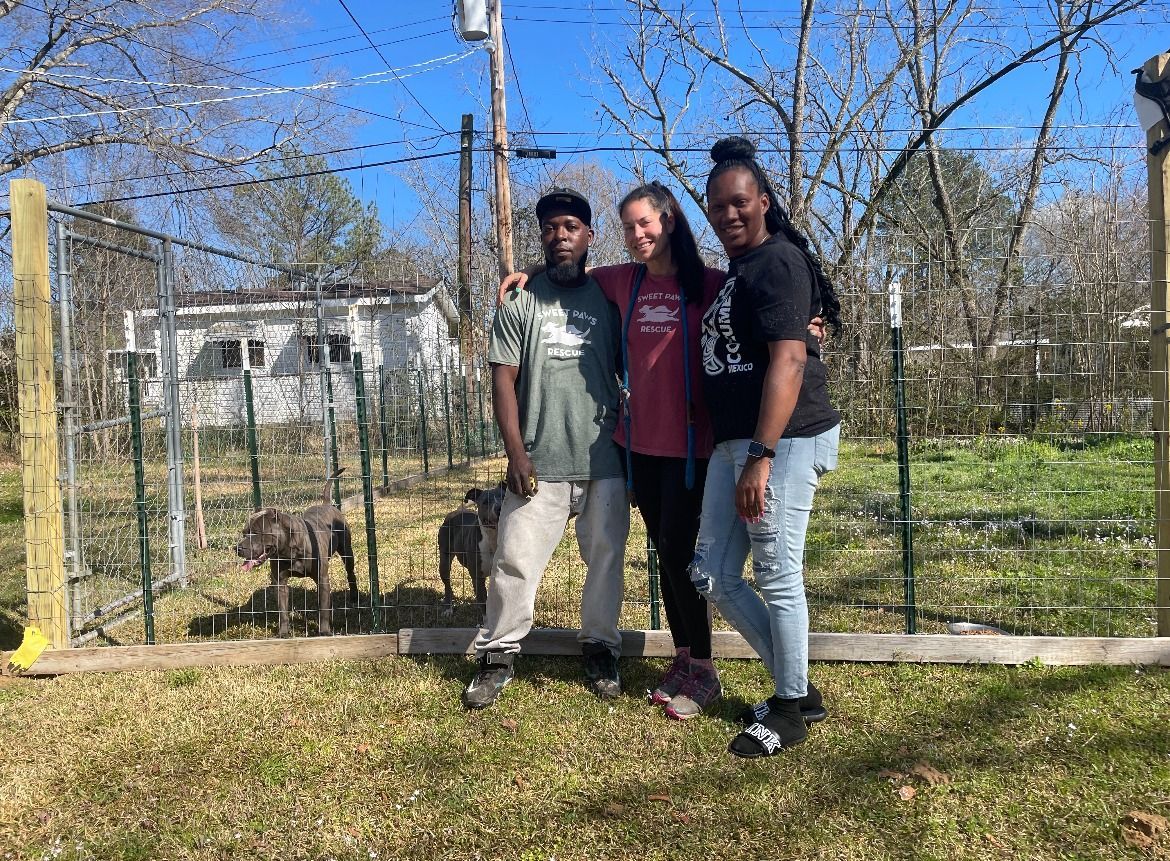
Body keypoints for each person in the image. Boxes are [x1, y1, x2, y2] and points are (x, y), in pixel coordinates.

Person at [501, 182, 830, 722]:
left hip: (696, 449)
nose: (637, 235)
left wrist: (814, 326)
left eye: (645, 223)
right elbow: (572, 271)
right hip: (640, 450)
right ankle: (684, 656)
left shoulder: (712, 285)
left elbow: (773, 318)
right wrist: (526, 276)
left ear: (670, 220)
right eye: (628, 227)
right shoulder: (621, 282)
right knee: (667, 557)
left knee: (687, 559)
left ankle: (703, 667)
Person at [689, 137, 842, 758]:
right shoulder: (741, 270)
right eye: (717, 206)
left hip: (782, 441)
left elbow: (788, 361)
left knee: (778, 575)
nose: (727, 215)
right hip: (737, 443)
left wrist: (762, 454)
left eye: (739, 202)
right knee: (711, 573)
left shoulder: (777, 262)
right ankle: (798, 687)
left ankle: (788, 709)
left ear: (764, 202)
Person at [462, 187, 629, 710]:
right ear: (542, 236)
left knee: (605, 559)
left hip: (604, 458)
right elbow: (502, 381)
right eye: (551, 228)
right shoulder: (520, 299)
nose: (561, 236)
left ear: (589, 236)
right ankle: (498, 654)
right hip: (538, 460)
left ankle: (600, 646)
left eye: (571, 228)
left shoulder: (611, 297)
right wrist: (516, 455)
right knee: (514, 559)